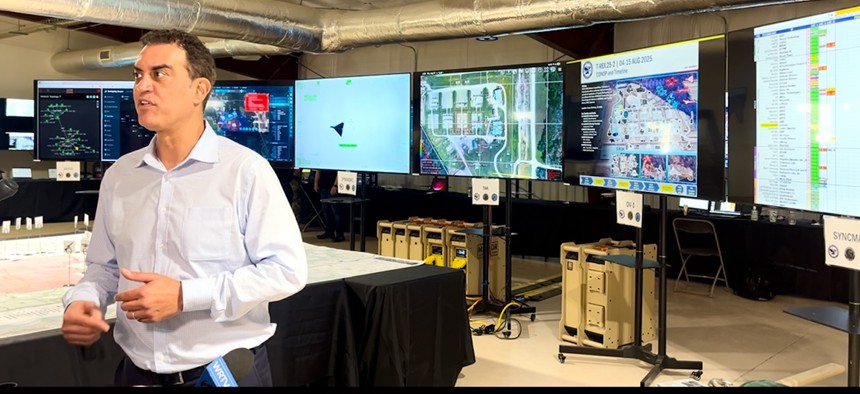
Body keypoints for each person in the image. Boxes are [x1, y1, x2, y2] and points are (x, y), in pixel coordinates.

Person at [60, 29, 308, 387]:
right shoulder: (121, 176)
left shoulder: (245, 170)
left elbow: (286, 270)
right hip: (136, 372)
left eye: (159, 73)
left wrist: (184, 295)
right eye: (138, 75)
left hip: (223, 373)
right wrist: (84, 300)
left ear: (199, 89)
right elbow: (105, 266)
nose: (143, 86)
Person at [314, 169, 345, 242]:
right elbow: (318, 170)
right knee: (326, 212)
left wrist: (335, 185)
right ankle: (329, 231)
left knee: (336, 213)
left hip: (333, 187)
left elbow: (340, 172)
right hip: (323, 187)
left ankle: (339, 234)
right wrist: (316, 182)